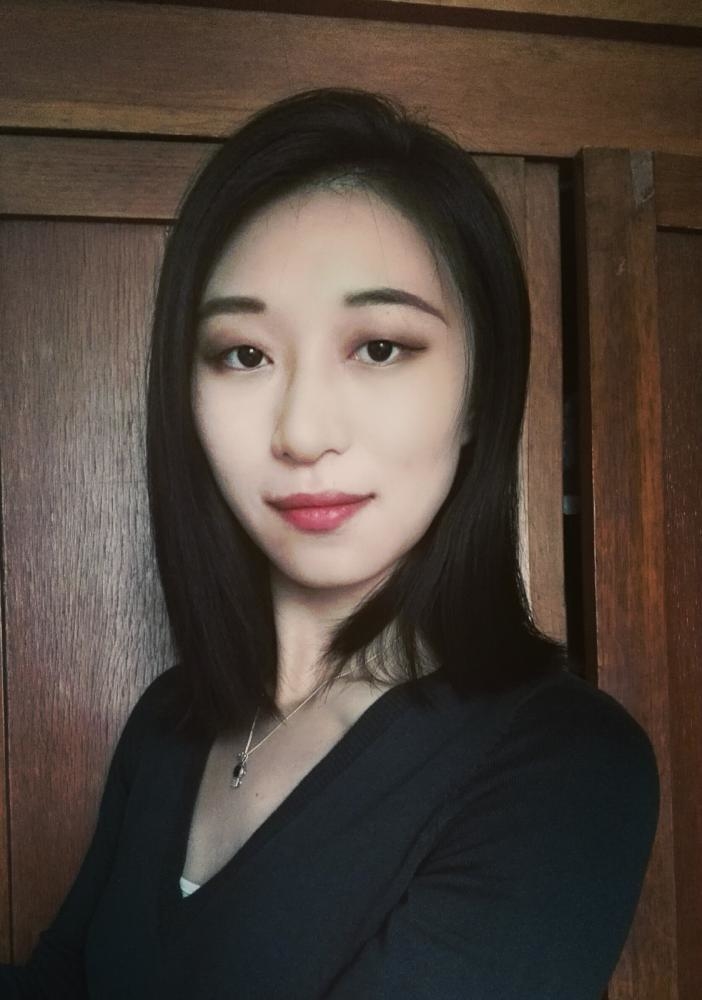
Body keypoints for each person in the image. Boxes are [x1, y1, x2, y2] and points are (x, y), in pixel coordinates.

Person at [0, 87, 659, 999]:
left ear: (481, 391)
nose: (302, 432)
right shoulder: (169, 723)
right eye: (243, 354)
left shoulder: (563, 767)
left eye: (380, 347)